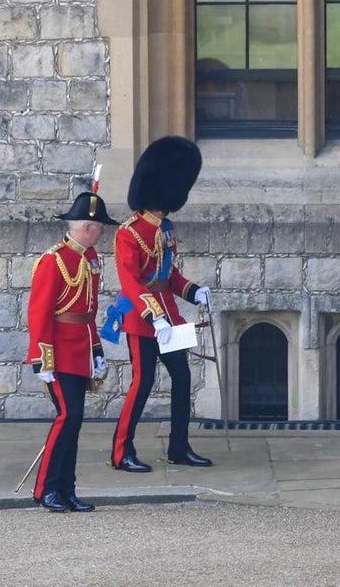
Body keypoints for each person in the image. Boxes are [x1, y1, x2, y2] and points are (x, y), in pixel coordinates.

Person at [110, 136, 213, 472]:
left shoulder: (166, 228)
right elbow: (132, 282)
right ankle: (121, 451)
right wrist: (154, 317)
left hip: (169, 316)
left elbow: (169, 276)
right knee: (142, 384)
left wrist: (193, 291)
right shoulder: (128, 233)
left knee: (182, 379)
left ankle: (178, 447)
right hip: (144, 321)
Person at [26, 192, 119, 512]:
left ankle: (66, 489)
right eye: (100, 226)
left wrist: (96, 351)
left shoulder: (90, 259)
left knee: (74, 421)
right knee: (68, 416)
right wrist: (43, 358)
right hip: (57, 353)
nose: (103, 231)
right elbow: (40, 313)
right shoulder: (54, 260)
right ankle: (46, 489)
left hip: (80, 350)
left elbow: (88, 313)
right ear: (89, 227)